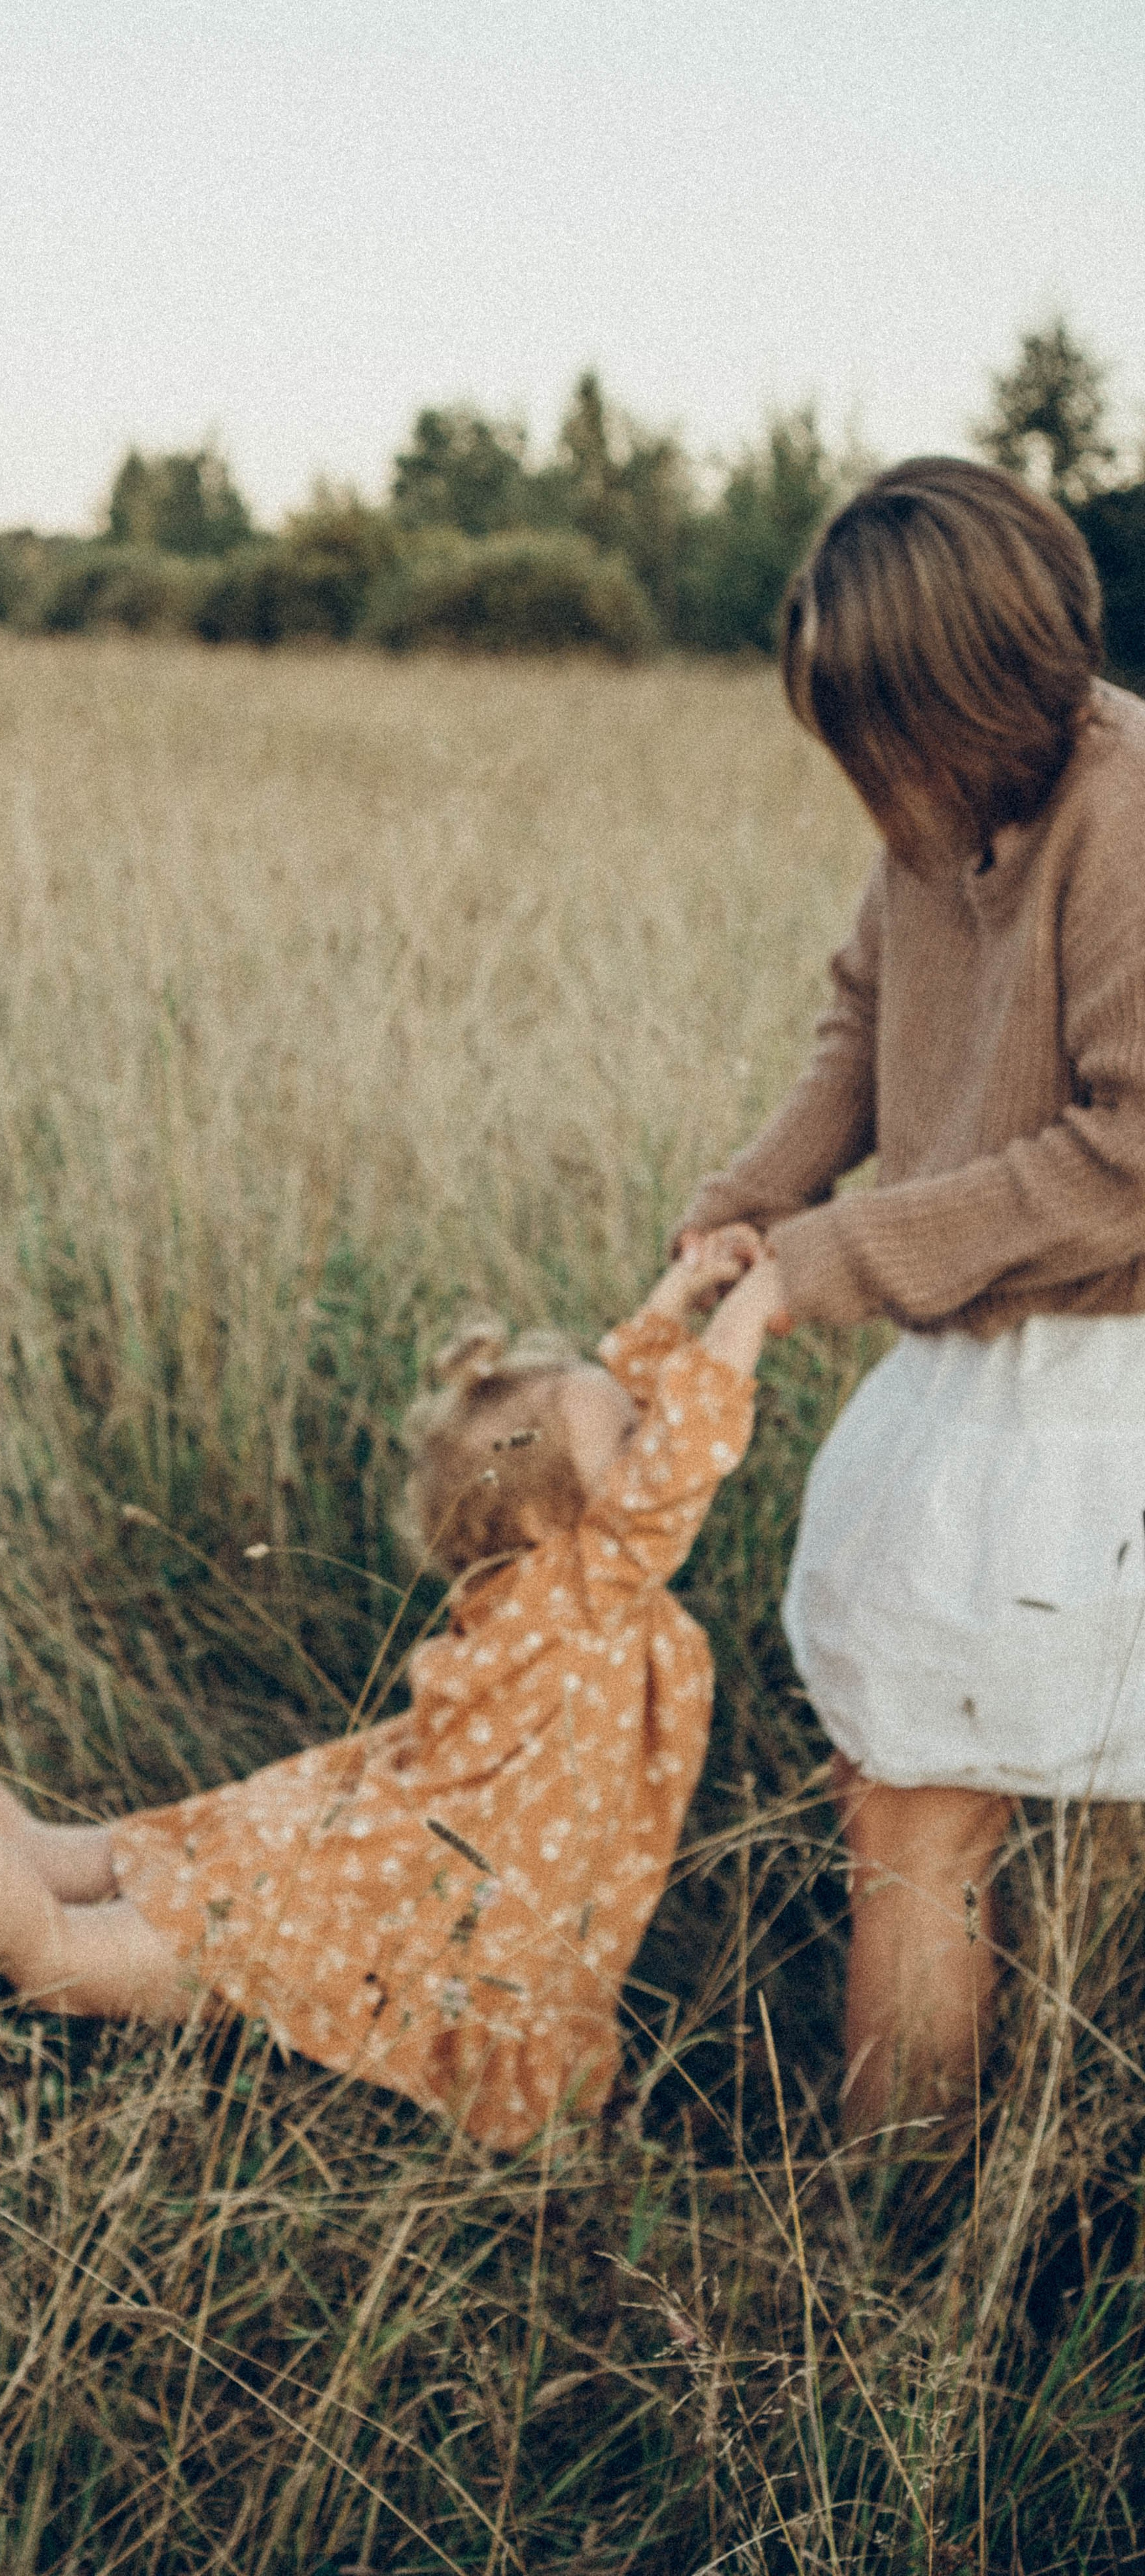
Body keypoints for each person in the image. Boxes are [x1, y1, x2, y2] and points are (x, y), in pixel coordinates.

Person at [0, 1233, 784, 2153]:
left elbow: (636, 1424)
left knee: (55, 1855)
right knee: (61, 1961)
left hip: (348, 1845)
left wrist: (679, 1298)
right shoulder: (588, 1587)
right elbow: (678, 1461)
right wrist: (756, 1301)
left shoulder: (551, 1583)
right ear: (544, 1518)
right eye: (629, 1438)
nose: (652, 1433)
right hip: (368, 1905)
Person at [678, 457, 1145, 2138]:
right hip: (985, 1359)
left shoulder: (1128, 811)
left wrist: (828, 1261)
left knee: (917, 1801)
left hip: (1101, 1382)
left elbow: (1129, 1154)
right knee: (916, 1783)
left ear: (979, 686)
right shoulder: (937, 816)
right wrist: (746, 1207)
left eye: (885, 727)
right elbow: (859, 1035)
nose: (870, 774)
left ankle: (898, 2210)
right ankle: (956, 2175)